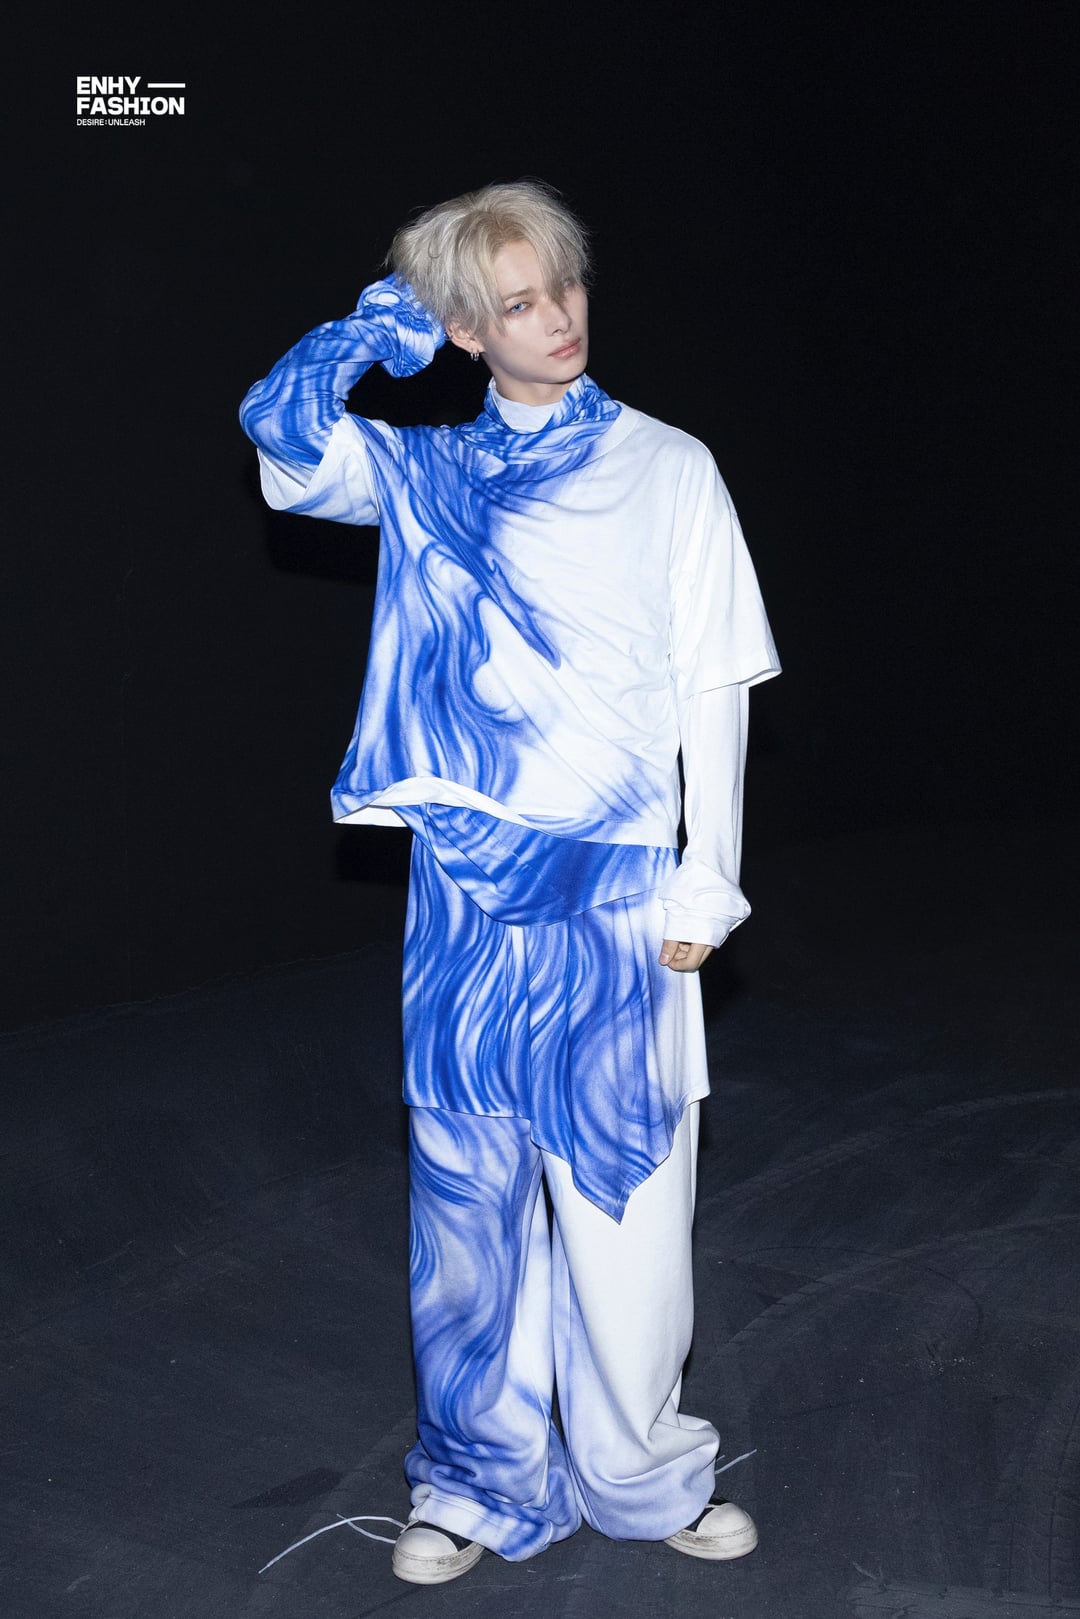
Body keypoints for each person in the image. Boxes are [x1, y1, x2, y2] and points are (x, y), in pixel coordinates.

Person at [240, 179, 780, 1586]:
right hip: (465, 899)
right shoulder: (424, 472)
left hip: (617, 892)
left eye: (565, 286)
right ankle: (476, 1488)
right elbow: (282, 436)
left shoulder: (669, 466)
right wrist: (386, 321)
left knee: (627, 1207)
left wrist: (706, 879)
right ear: (468, 330)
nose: (559, 319)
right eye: (516, 303)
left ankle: (645, 1475)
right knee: (468, 1211)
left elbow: (716, 683)